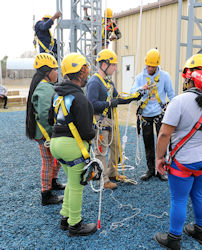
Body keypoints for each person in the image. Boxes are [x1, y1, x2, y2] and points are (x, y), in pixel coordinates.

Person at [154, 54, 202, 249]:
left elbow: (164, 134)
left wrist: (159, 158)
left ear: (189, 77)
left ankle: (173, 238)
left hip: (184, 161)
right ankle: (201, 232)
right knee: (199, 194)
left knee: (178, 198)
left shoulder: (179, 101)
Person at [49, 53, 97, 237]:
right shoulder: (80, 98)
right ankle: (75, 225)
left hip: (56, 144)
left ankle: (65, 217)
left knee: (71, 181)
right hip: (72, 146)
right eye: (85, 69)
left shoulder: (58, 94)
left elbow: (49, 119)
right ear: (79, 72)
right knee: (77, 185)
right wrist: (93, 133)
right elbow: (86, 132)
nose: (87, 72)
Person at [87, 49, 142, 190]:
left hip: (110, 121)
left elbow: (118, 98)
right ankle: (104, 180)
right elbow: (91, 105)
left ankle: (112, 173)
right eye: (113, 65)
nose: (115, 68)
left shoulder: (108, 83)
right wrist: (109, 104)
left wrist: (135, 96)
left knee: (116, 147)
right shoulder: (94, 82)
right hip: (100, 121)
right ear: (104, 65)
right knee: (101, 152)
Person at [26, 53, 65, 206]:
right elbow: (44, 114)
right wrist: (53, 134)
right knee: (48, 161)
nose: (57, 72)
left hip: (45, 133)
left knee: (57, 159)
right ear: (47, 72)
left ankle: (53, 183)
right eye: (55, 69)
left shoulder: (45, 86)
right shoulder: (44, 88)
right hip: (45, 134)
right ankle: (46, 195)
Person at [130, 48, 175, 181]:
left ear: (157, 65)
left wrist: (173, 112)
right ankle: (150, 170)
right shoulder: (140, 77)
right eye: (148, 66)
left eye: (152, 66)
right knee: (148, 142)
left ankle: (161, 170)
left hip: (160, 114)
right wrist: (141, 89)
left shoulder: (165, 77)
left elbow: (171, 95)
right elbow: (133, 92)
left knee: (163, 142)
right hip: (145, 114)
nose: (150, 68)